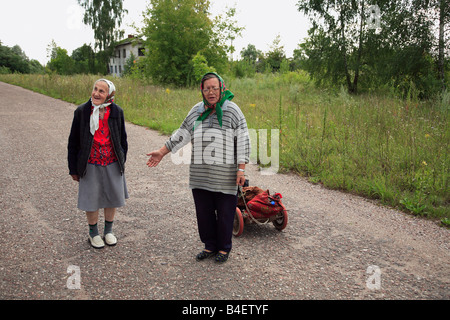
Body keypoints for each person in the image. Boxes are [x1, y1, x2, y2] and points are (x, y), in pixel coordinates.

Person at [146, 72, 250, 263]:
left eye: (214, 88)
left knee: (226, 214)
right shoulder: (196, 111)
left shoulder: (233, 111)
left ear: (222, 88)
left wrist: (241, 169)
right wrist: (162, 151)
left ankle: (224, 249)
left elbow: (243, 139)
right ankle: (209, 245)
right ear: (201, 90)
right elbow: (181, 134)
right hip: (201, 175)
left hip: (225, 175)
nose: (211, 92)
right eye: (207, 88)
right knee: (204, 213)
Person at [68, 79, 129, 249]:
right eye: (95, 89)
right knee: (91, 199)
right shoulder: (82, 111)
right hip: (90, 162)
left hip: (112, 161)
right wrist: (73, 168)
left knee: (112, 198)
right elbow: (73, 141)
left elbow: (123, 140)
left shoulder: (117, 112)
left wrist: (122, 159)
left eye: (102, 91)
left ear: (109, 95)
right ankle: (93, 233)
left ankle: (108, 231)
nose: (96, 93)